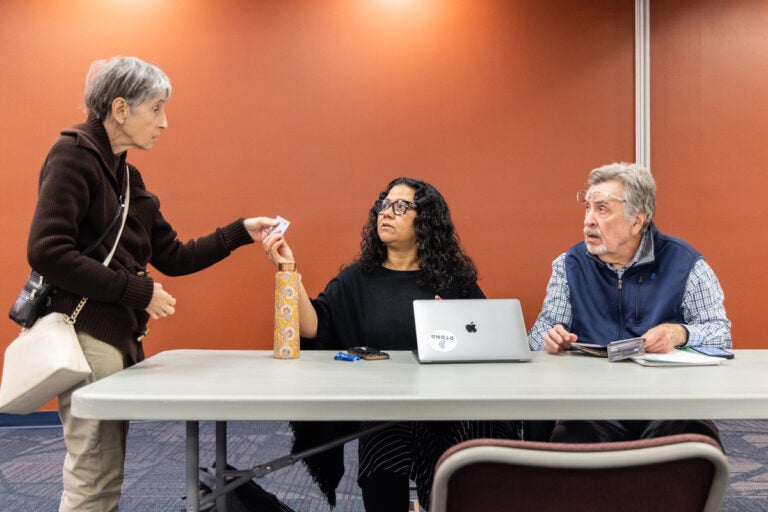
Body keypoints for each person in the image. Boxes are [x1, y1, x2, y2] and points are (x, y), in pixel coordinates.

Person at [25, 56, 278, 512]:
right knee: (94, 478)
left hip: (112, 339)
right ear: (121, 109)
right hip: (88, 339)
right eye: (157, 108)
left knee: (103, 475)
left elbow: (174, 256)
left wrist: (242, 231)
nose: (165, 122)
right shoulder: (73, 154)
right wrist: (137, 291)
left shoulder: (125, 175)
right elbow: (47, 251)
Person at [263, 177, 519, 512]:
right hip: (386, 412)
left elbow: (487, 340)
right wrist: (287, 267)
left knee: (463, 478)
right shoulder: (358, 278)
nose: (387, 212)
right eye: (384, 204)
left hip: (446, 409)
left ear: (425, 219)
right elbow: (314, 326)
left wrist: (452, 325)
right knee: (382, 476)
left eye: (401, 206)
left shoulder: (452, 280)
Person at [527, 162, 731, 445]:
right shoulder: (569, 265)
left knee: (691, 444)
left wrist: (679, 333)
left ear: (637, 220)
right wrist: (550, 338)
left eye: (602, 209)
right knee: (570, 443)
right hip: (594, 403)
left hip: (668, 403)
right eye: (587, 208)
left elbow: (721, 335)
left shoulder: (685, 263)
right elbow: (539, 335)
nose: (588, 220)